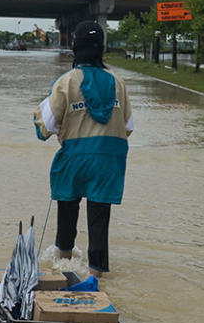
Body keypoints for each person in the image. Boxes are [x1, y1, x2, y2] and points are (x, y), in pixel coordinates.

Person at [33, 20, 134, 278]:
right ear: (102, 48)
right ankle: (97, 275)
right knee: (100, 218)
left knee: (67, 210)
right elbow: (128, 126)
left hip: (75, 158)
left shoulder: (66, 82)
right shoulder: (119, 83)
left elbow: (44, 128)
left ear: (74, 46)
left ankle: (63, 265)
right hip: (110, 160)